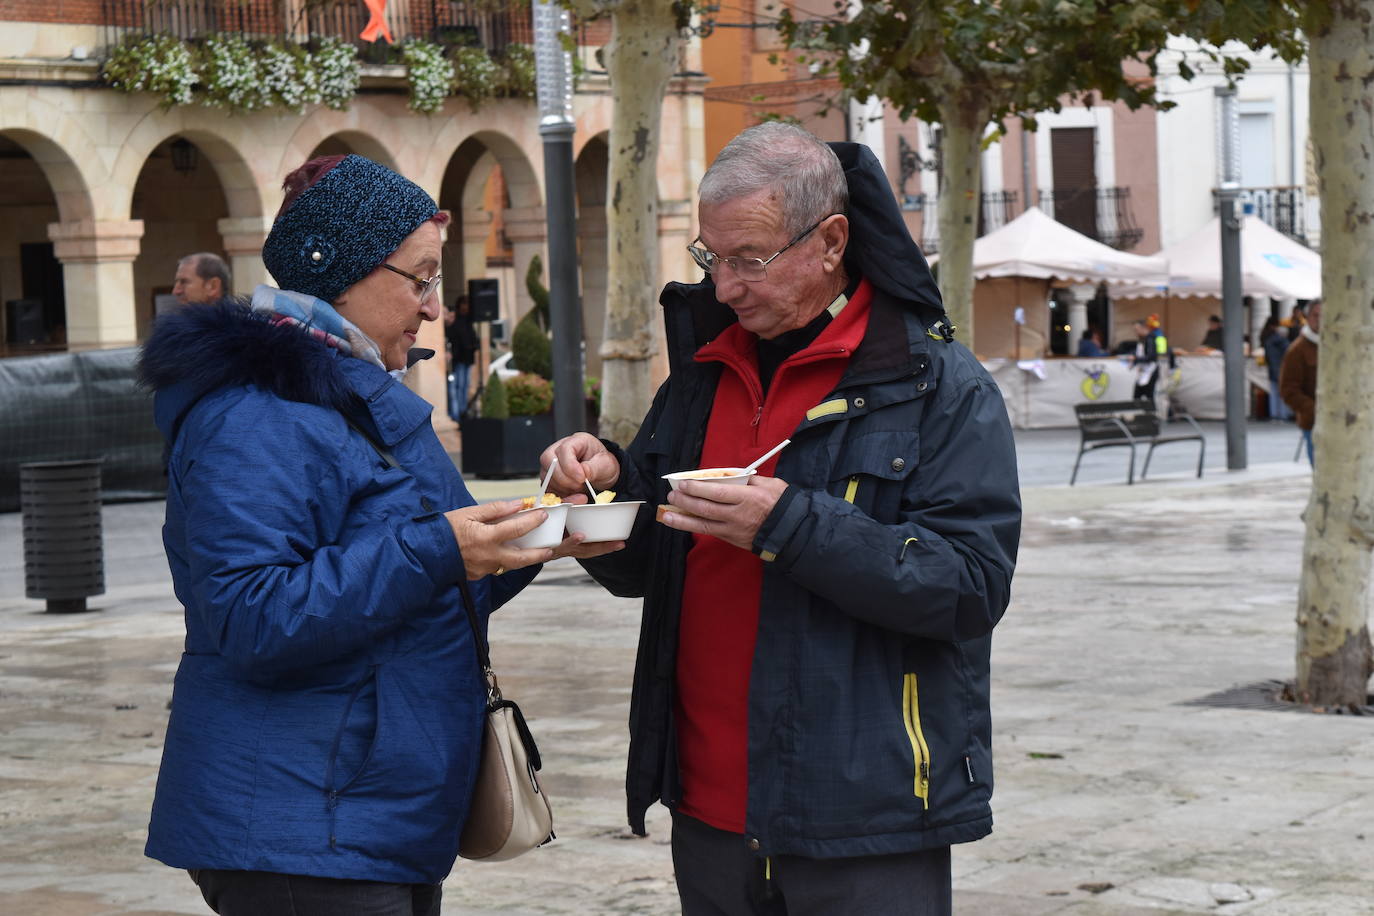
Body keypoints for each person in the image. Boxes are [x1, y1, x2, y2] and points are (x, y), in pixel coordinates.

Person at [541, 123, 1021, 914]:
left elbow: (968, 588)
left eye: (749, 259)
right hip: (707, 810)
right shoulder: (700, 377)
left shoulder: (939, 387)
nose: (725, 285)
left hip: (866, 819)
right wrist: (605, 485)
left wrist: (790, 526)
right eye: (711, 258)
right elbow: (643, 571)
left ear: (831, 240)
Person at [137, 154, 621, 915]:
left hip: (366, 810)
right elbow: (249, 613)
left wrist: (548, 524)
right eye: (422, 278)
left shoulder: (356, 395)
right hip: (301, 824)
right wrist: (441, 549)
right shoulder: (254, 412)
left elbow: (438, 580)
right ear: (342, 272)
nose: (435, 309)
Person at [1280, 297, 1321, 463]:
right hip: (1314, 422)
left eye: (1324, 315)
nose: (1320, 320)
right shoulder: (1298, 350)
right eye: (1315, 315)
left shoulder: (1338, 345)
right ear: (1307, 317)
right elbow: (1288, 390)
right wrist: (1313, 409)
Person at [444, 294, 479, 422]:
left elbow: (472, 338)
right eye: (463, 304)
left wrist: (474, 346)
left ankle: (463, 411)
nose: (466, 307)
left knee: (465, 385)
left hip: (467, 358)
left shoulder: (468, 321)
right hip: (458, 359)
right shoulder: (455, 321)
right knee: (458, 385)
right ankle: (457, 413)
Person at [1130, 315, 1170, 403]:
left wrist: (1136, 359)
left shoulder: (1150, 338)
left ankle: (1151, 414)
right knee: (1141, 395)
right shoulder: (1143, 339)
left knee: (1148, 395)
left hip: (1150, 370)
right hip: (1144, 371)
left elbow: (1151, 356)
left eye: (1137, 330)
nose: (1136, 332)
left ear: (1143, 328)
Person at [1259, 315, 1291, 421]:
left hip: (1272, 369)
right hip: (1282, 369)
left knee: (1274, 393)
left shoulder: (1268, 340)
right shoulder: (1283, 343)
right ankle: (1283, 414)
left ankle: (1274, 413)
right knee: (1282, 393)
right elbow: (1289, 354)